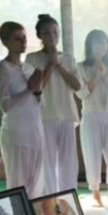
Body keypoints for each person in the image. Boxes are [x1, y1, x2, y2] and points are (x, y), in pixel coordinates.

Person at [26, 14, 81, 194]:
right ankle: (50, 202)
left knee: (68, 163)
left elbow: (76, 85)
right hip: (44, 116)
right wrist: (50, 64)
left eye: (55, 32)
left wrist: (59, 65)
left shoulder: (69, 58)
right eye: (46, 33)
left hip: (66, 115)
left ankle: (69, 202)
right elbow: (37, 87)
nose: (51, 37)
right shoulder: (32, 59)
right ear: (39, 36)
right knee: (47, 163)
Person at [0, 21, 49, 198]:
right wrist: (29, 89)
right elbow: (5, 106)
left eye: (24, 37)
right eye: (17, 39)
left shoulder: (27, 67)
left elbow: (37, 100)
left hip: (35, 130)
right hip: (16, 133)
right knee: (19, 185)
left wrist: (38, 89)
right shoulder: (2, 69)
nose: (23, 42)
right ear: (6, 42)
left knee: (37, 184)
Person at [77, 29, 108, 208]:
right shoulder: (81, 67)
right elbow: (81, 93)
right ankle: (95, 192)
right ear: (89, 46)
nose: (100, 47)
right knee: (92, 154)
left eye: (103, 43)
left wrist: (106, 74)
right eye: (96, 44)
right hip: (91, 115)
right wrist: (96, 74)